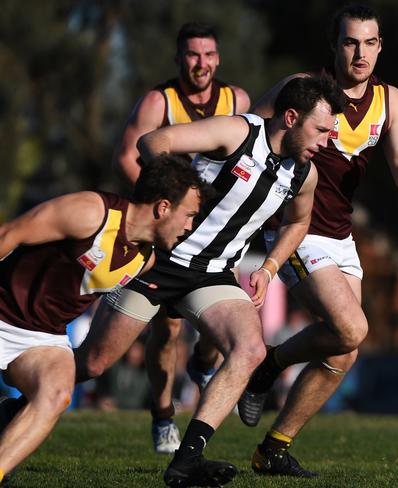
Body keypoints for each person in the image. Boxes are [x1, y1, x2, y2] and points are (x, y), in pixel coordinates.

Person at [73, 75, 346, 487]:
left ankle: (186, 462)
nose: (326, 142)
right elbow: (152, 143)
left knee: (250, 349)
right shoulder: (238, 130)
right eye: (321, 130)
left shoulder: (302, 174)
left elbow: (299, 221)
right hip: (156, 261)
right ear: (291, 117)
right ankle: (23, 402)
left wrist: (269, 268)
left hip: (211, 275)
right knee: (92, 364)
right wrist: (170, 198)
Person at [237, 3, 398, 477]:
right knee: (352, 328)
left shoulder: (391, 102)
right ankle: (270, 365)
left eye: (370, 42)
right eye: (350, 42)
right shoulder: (304, 88)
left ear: (380, 47)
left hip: (342, 237)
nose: (360, 52)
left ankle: (274, 449)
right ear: (335, 47)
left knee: (344, 351)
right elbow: (246, 130)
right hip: (296, 231)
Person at [0, 154, 204, 484]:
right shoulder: (91, 212)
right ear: (163, 207)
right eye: (189, 215)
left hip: (43, 338)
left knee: (58, 393)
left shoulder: (146, 259)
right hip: (2, 308)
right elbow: (10, 233)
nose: (189, 226)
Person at [112, 21, 250, 454]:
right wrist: (163, 209)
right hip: (168, 232)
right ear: (179, 59)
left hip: (215, 234)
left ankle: (203, 364)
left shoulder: (237, 100)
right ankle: (163, 414)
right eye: (192, 55)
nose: (201, 64)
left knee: (219, 321)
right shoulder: (160, 101)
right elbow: (127, 155)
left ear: (218, 58)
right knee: (168, 329)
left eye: (208, 54)